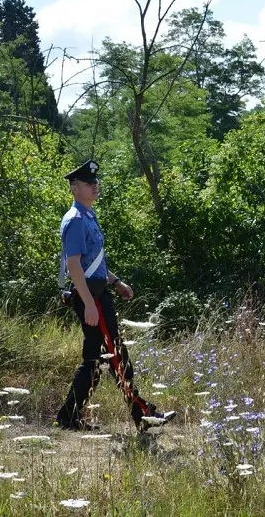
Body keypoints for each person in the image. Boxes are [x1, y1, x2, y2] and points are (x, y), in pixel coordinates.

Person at [56, 159, 175, 432]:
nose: (95, 186)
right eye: (89, 183)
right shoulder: (75, 220)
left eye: (95, 182)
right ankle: (143, 414)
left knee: (97, 359)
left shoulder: (88, 215)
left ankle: (69, 416)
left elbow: (93, 263)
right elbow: (74, 265)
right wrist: (87, 303)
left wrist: (116, 281)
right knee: (116, 355)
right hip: (91, 297)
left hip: (98, 292)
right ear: (75, 188)